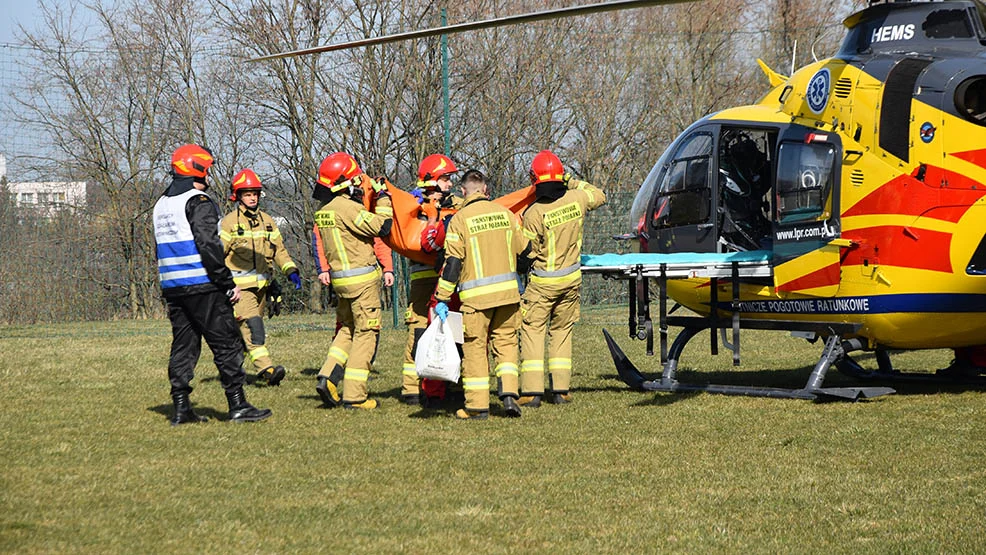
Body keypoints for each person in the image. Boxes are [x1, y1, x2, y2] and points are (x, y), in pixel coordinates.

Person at [152, 144, 271, 425]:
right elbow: (208, 244)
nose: (208, 174)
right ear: (198, 167)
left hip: (173, 287)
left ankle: (181, 408)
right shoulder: (198, 200)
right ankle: (238, 404)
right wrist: (226, 283)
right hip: (203, 285)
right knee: (227, 343)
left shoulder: (160, 204)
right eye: (207, 168)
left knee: (184, 345)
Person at [433, 169, 531, 419]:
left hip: (476, 300)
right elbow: (526, 251)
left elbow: (453, 263)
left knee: (476, 349)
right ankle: (509, 395)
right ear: (486, 190)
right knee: (506, 346)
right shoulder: (506, 215)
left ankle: (477, 406)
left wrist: (442, 298)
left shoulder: (459, 219)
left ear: (463, 191)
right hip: (509, 296)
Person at [518, 150, 606, 407]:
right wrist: (572, 181)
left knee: (533, 332)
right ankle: (561, 390)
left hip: (543, 283)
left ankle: (532, 393)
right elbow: (600, 195)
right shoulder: (577, 198)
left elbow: (526, 253)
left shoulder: (533, 213)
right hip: (571, 280)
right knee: (562, 332)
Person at [311, 152, 393, 410]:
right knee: (366, 334)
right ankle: (356, 396)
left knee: (347, 330)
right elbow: (382, 226)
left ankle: (328, 376)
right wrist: (382, 198)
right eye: (355, 180)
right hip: (363, 284)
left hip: (341, 284)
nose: (359, 184)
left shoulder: (323, 212)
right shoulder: (348, 208)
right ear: (344, 182)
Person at [219, 168, 301, 386]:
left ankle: (231, 372)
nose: (252, 197)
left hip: (263, 287)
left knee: (242, 334)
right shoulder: (229, 223)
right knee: (254, 328)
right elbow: (218, 256)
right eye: (247, 194)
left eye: (255, 193)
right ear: (237, 196)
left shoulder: (267, 221)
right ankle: (267, 369)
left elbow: (279, 251)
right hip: (240, 289)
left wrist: (290, 270)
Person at [397, 153, 461, 405]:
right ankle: (411, 389)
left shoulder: (456, 203)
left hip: (448, 277)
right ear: (431, 180)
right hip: (423, 279)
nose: (450, 184)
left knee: (451, 330)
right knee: (419, 330)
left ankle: (447, 382)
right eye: (445, 179)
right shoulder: (413, 203)